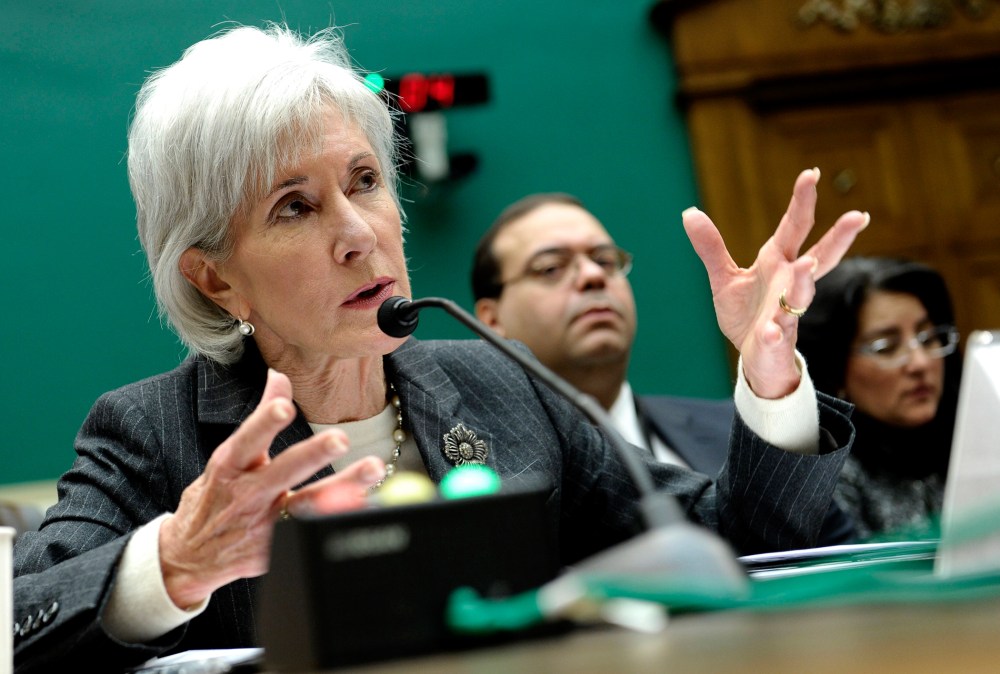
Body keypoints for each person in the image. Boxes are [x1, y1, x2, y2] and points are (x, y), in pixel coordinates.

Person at [12, 23, 868, 672]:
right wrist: (172, 562)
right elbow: (22, 622)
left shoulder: (499, 383)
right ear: (216, 281)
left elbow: (732, 544)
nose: (359, 236)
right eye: (294, 208)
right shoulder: (151, 431)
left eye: (365, 182)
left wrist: (771, 378)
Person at [471, 193, 856, 544]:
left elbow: (835, 555)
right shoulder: (478, 468)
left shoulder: (741, 433)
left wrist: (773, 381)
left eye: (605, 260)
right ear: (491, 320)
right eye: (551, 268)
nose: (593, 276)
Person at [797, 256, 961, 541]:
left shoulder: (973, 433)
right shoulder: (824, 478)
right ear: (834, 370)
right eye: (886, 347)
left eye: (927, 338)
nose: (920, 363)